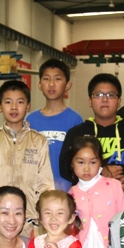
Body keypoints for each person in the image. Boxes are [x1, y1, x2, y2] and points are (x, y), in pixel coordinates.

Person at [0, 80, 54, 240]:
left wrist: (41, 220)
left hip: (29, 221)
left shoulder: (38, 141)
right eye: (8, 102)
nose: (14, 107)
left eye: (20, 102)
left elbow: (45, 183)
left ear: (28, 106)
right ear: (0, 106)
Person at [60, 73, 124, 183]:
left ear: (119, 101)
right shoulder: (76, 134)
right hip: (87, 193)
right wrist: (99, 173)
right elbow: (64, 169)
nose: (105, 99)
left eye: (111, 95)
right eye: (99, 95)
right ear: (90, 101)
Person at [27, 59, 83, 192]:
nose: (51, 84)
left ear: (68, 85)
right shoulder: (30, 120)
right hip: (36, 191)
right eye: (46, 79)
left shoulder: (75, 119)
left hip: (67, 191)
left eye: (58, 79)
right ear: (39, 84)